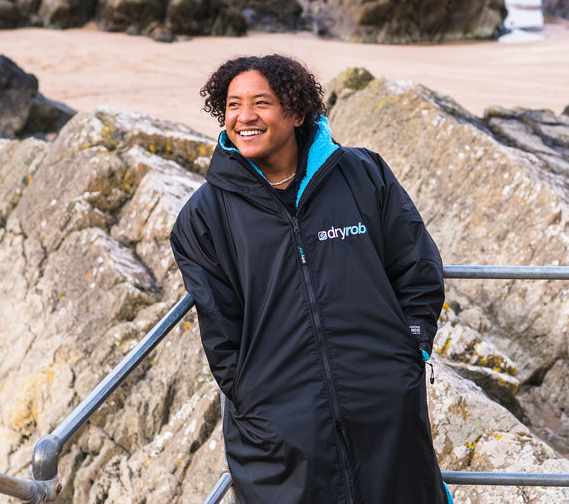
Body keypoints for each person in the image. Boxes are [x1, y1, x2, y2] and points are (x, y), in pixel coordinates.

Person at [169, 54, 453, 503]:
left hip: (384, 408)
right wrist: (254, 400)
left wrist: (411, 350)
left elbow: (416, 265)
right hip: (280, 428)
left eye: (261, 103)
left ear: (296, 111)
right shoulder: (203, 217)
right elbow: (221, 332)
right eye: (233, 104)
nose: (244, 116)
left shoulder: (364, 175)